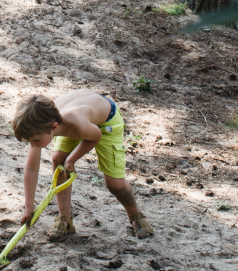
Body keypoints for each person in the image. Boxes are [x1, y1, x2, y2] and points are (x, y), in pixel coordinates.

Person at [11, 91, 154, 242]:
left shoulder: (77, 123)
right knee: (58, 160)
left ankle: (135, 215)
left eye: (35, 140)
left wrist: (72, 159)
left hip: (105, 122)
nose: (33, 145)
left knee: (114, 184)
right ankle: (64, 220)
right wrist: (28, 207)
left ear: (54, 127)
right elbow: (32, 168)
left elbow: (95, 136)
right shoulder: (40, 127)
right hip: (80, 115)